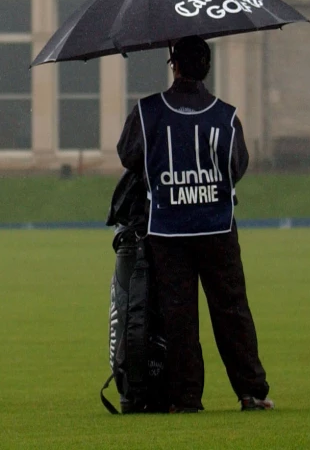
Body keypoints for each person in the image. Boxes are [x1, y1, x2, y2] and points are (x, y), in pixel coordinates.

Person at [115, 36, 273, 413]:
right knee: (232, 310)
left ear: (175, 65)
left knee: (179, 315)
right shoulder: (226, 115)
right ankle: (252, 391)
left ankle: (186, 397)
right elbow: (238, 167)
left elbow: (128, 155)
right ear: (207, 66)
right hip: (217, 227)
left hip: (168, 230)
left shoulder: (147, 112)